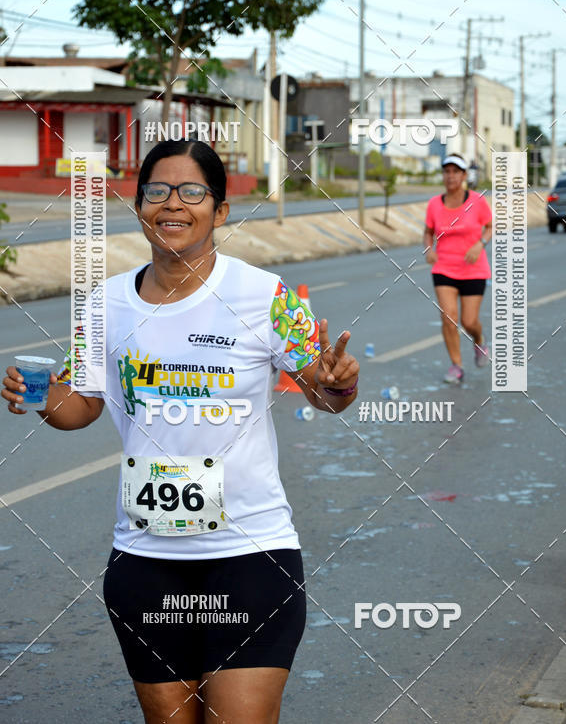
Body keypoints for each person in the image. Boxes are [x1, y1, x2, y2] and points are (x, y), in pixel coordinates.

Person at [2, 138, 359, 724]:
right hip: (144, 561)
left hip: (250, 557)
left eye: (192, 192)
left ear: (219, 211)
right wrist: (37, 397)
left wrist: (338, 383)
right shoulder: (104, 304)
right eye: (157, 191)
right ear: (140, 205)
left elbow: (325, 393)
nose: (173, 204)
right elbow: (81, 407)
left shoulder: (267, 296)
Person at [423, 153, 492, 384]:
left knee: (469, 321)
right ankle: (456, 365)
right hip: (444, 268)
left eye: (455, 171)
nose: (450, 176)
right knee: (448, 317)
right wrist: (428, 249)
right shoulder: (434, 204)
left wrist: (480, 244)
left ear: (464, 175)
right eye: (447, 171)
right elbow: (427, 232)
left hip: (474, 268)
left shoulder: (477, 201)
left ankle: (479, 340)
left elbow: (490, 227)